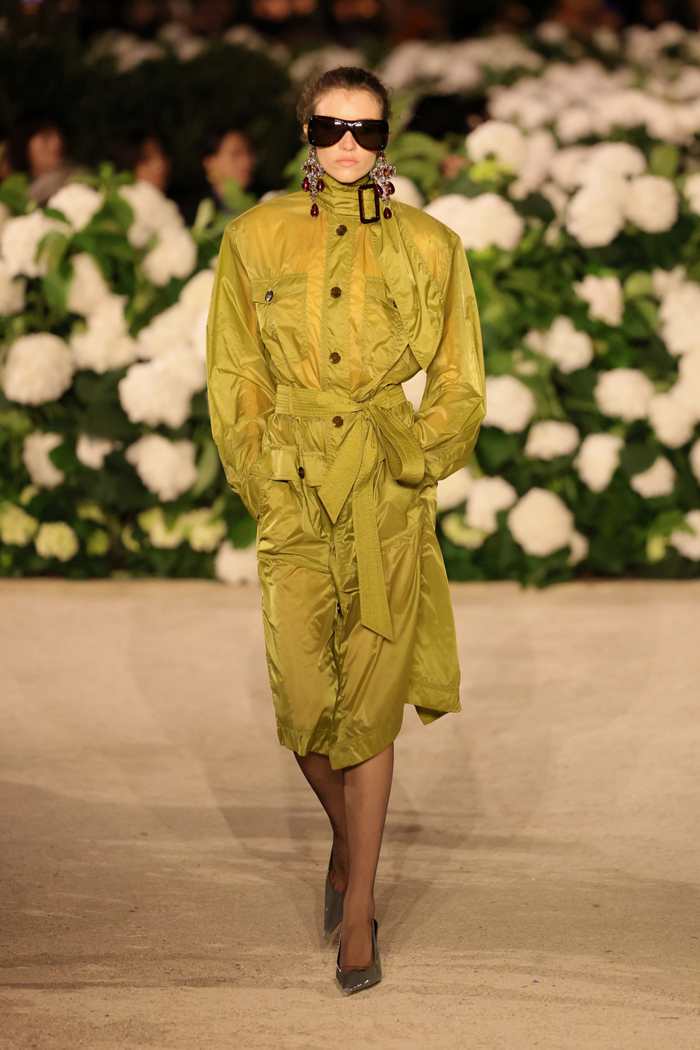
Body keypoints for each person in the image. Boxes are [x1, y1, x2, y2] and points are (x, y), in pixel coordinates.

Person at [206, 66, 486, 995]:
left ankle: (359, 905)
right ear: (306, 132)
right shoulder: (254, 238)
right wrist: (260, 478)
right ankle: (345, 838)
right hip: (293, 483)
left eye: (366, 129)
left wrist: (418, 459)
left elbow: (460, 376)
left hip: (383, 491)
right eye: (331, 127)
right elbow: (235, 372)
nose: (349, 145)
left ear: (387, 136)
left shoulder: (432, 244)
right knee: (303, 707)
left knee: (367, 703)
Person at [5, 116, 88, 204]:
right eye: (46, 137)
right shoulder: (14, 193)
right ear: (24, 145)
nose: (58, 142)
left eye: (60, 136)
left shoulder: (81, 180)